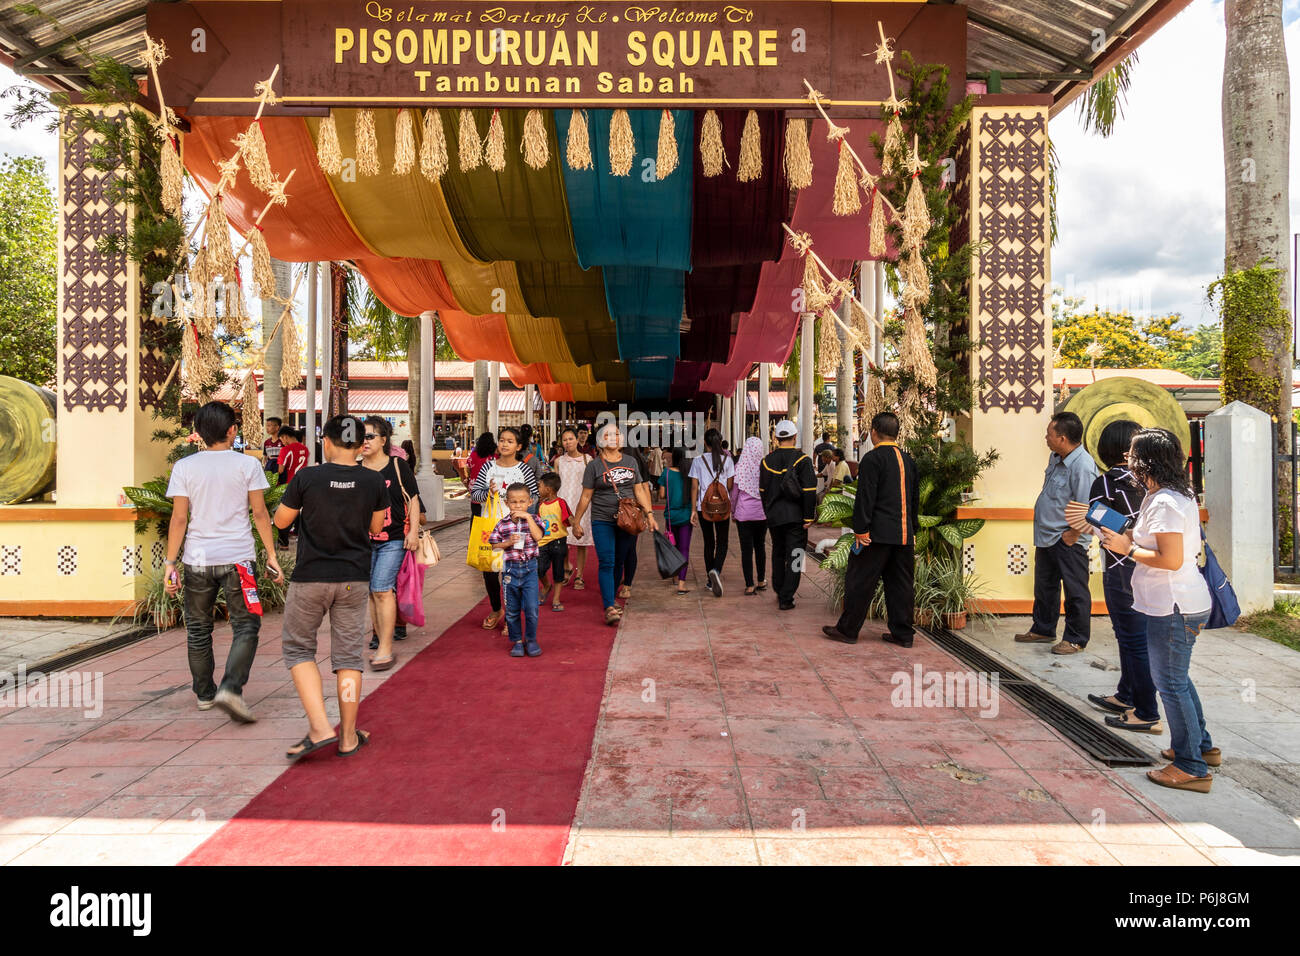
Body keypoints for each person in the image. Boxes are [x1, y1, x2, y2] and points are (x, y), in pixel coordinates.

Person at [1100, 428, 1216, 793]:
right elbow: (1154, 539)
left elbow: (1170, 558)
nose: (1127, 461)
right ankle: (1202, 747)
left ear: (1145, 461)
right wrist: (1126, 534)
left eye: (1133, 455)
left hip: (1173, 605)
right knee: (1177, 679)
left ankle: (1191, 767)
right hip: (1172, 604)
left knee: (1171, 683)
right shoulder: (1164, 495)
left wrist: (1126, 548)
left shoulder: (1166, 501)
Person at [273, 414, 387, 759]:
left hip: (310, 577)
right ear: (359, 445)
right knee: (349, 657)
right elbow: (376, 526)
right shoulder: (372, 481)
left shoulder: (308, 477)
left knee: (298, 649)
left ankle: (320, 726)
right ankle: (348, 736)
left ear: (327, 441)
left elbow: (281, 520)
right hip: (353, 578)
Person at [164, 401, 284, 722]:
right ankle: (231, 688)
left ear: (199, 433)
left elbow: (179, 519)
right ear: (233, 430)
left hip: (197, 559)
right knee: (247, 625)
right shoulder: (247, 466)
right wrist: (272, 556)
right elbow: (260, 513)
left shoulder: (184, 468)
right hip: (239, 559)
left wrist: (170, 564)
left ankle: (205, 694)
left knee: (198, 628)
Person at [1084, 420, 1161, 734]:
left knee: (1131, 640)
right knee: (1137, 637)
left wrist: (1129, 532)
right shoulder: (1153, 482)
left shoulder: (1106, 482)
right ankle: (1126, 694)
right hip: (1152, 566)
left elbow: (1096, 515)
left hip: (1120, 566)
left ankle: (1145, 710)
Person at [822, 412, 919, 647]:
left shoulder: (873, 459)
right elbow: (914, 500)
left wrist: (861, 529)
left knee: (860, 581)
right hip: (903, 534)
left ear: (874, 432)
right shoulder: (909, 460)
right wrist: (913, 530)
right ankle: (903, 634)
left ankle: (848, 630)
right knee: (901, 585)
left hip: (875, 534)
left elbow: (866, 497)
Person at [1015, 411, 1099, 655]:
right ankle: (1043, 628)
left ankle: (1075, 638)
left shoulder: (1083, 466)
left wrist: (1073, 534)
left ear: (1062, 438)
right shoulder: (1056, 458)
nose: (1046, 438)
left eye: (1049, 434)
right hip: (1047, 536)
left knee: (1075, 591)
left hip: (1067, 539)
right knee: (1045, 587)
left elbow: (1087, 505)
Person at [572, 423, 658, 626]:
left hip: (628, 519)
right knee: (607, 561)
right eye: (609, 434)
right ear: (601, 440)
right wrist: (576, 522)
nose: (615, 437)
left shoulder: (631, 461)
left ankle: (612, 598)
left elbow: (639, 491)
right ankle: (609, 605)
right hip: (602, 519)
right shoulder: (594, 465)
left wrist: (650, 514)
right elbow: (585, 497)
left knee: (620, 560)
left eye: (618, 434)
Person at [359, 416, 421, 671]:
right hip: (363, 540)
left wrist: (413, 532)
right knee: (372, 592)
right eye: (361, 437)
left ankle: (385, 648)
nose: (364, 441)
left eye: (370, 436)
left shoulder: (397, 465)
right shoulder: (356, 469)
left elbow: (413, 500)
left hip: (393, 539)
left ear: (383, 440)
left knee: (382, 588)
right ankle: (378, 636)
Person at [470, 426, 538, 630]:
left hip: (517, 527)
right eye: (502, 440)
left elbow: (535, 495)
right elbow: (475, 495)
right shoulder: (488, 467)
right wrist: (489, 493)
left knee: (513, 572)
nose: (504, 444)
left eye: (510, 441)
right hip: (490, 525)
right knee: (489, 570)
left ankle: (512, 617)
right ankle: (496, 608)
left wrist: (524, 510)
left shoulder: (524, 469)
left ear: (518, 446)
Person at [760, 420, 817, 610]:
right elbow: (809, 490)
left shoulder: (766, 461)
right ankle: (787, 595)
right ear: (794, 438)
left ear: (776, 438)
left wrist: (768, 512)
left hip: (775, 516)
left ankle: (779, 588)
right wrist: (809, 517)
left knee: (778, 551)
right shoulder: (803, 460)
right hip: (797, 518)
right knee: (796, 554)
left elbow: (762, 490)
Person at [489, 482, 545, 657]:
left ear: (530, 502)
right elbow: (494, 545)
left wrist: (528, 517)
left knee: (531, 608)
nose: (518, 505)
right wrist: (507, 543)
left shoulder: (534, 520)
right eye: (514, 502)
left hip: (529, 569)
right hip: (510, 571)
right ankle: (517, 641)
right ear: (507, 503)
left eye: (522, 501)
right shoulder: (503, 524)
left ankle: (531, 639)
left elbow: (539, 537)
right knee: (512, 610)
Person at [690, 428, 735, 597]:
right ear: (720, 441)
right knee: (722, 542)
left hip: (704, 507)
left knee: (709, 543)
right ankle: (716, 569)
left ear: (705, 443)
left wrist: (693, 510)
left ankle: (710, 579)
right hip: (723, 507)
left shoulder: (698, 460)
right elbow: (729, 486)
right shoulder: (728, 461)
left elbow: (695, 487)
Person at [554, 427, 593, 591]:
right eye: (564, 439)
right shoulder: (558, 461)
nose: (568, 442)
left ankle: (579, 575)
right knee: (562, 540)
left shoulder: (588, 460)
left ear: (577, 440)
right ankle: (567, 566)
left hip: (582, 505)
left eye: (571, 439)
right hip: (563, 505)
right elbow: (555, 485)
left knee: (580, 542)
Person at [732, 436, 768, 596]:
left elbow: (734, 494)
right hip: (761, 514)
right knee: (760, 547)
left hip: (744, 515)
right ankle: (761, 580)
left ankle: (749, 585)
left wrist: (733, 511)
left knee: (746, 550)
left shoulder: (739, 467)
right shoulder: (765, 468)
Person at [659, 447, 694, 595]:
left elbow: (661, 495)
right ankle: (681, 583)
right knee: (684, 548)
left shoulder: (666, 473)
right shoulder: (690, 473)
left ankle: (674, 575)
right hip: (686, 515)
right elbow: (694, 491)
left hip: (671, 516)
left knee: (673, 546)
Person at [535, 472, 571, 612]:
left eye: (540, 487)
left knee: (558, 571)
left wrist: (577, 527)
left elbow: (569, 517)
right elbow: (537, 523)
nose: (538, 489)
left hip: (558, 541)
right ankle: (546, 585)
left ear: (548, 489)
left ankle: (556, 598)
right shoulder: (540, 505)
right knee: (539, 568)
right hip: (542, 542)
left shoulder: (560, 502)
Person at [275, 427, 312, 547]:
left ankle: (283, 542)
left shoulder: (286, 450)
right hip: (303, 483)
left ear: (285, 436)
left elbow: (280, 470)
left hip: (288, 485)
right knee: (299, 511)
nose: (282, 442)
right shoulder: (305, 449)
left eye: (281, 439)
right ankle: (297, 534)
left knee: (284, 513)